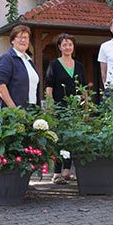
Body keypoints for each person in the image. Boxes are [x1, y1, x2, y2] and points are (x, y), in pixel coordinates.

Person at [45, 33, 86, 185]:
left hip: (75, 109)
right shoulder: (54, 64)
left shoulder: (79, 65)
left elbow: (83, 88)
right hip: (59, 108)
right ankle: (56, 173)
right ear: (59, 47)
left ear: (73, 47)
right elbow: (49, 87)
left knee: (71, 139)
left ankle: (67, 171)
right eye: (64, 44)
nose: (67, 47)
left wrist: (85, 106)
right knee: (59, 140)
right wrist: (50, 107)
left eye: (70, 44)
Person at [0, 25, 40, 108]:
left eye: (26, 38)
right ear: (12, 40)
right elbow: (1, 86)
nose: (23, 40)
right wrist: (14, 110)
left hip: (32, 110)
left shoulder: (29, 61)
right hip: (15, 113)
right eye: (20, 37)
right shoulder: (7, 58)